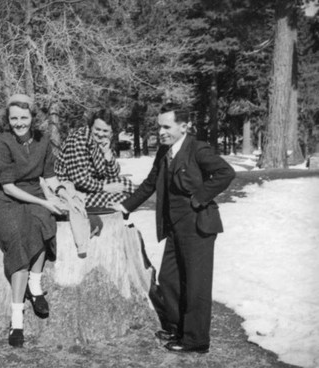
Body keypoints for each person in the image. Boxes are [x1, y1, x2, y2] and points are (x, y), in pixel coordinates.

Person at [112, 103, 235, 354]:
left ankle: (195, 340)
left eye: (167, 126)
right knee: (169, 278)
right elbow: (149, 184)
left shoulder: (197, 149)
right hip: (176, 228)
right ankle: (179, 327)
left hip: (198, 226)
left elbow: (226, 172)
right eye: (159, 126)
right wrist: (125, 207)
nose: (161, 131)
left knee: (196, 284)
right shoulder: (164, 153)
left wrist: (199, 197)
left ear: (183, 126)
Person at [0, 94, 70, 348]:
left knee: (44, 222)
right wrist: (46, 202)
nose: (19, 123)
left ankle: (35, 287)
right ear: (8, 120)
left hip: (34, 196)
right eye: (14, 118)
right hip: (6, 199)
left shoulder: (43, 141)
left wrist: (65, 193)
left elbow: (50, 177)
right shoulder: (3, 141)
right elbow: (9, 187)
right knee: (17, 240)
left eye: (24, 118)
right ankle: (17, 321)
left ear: (33, 118)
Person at [55, 108, 136, 208]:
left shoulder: (103, 141)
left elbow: (113, 174)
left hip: (90, 187)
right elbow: (79, 179)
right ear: (90, 126)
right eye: (97, 129)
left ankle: (107, 206)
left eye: (105, 131)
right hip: (70, 190)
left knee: (128, 186)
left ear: (111, 132)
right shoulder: (79, 139)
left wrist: (108, 155)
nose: (100, 134)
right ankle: (91, 210)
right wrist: (105, 188)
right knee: (124, 200)